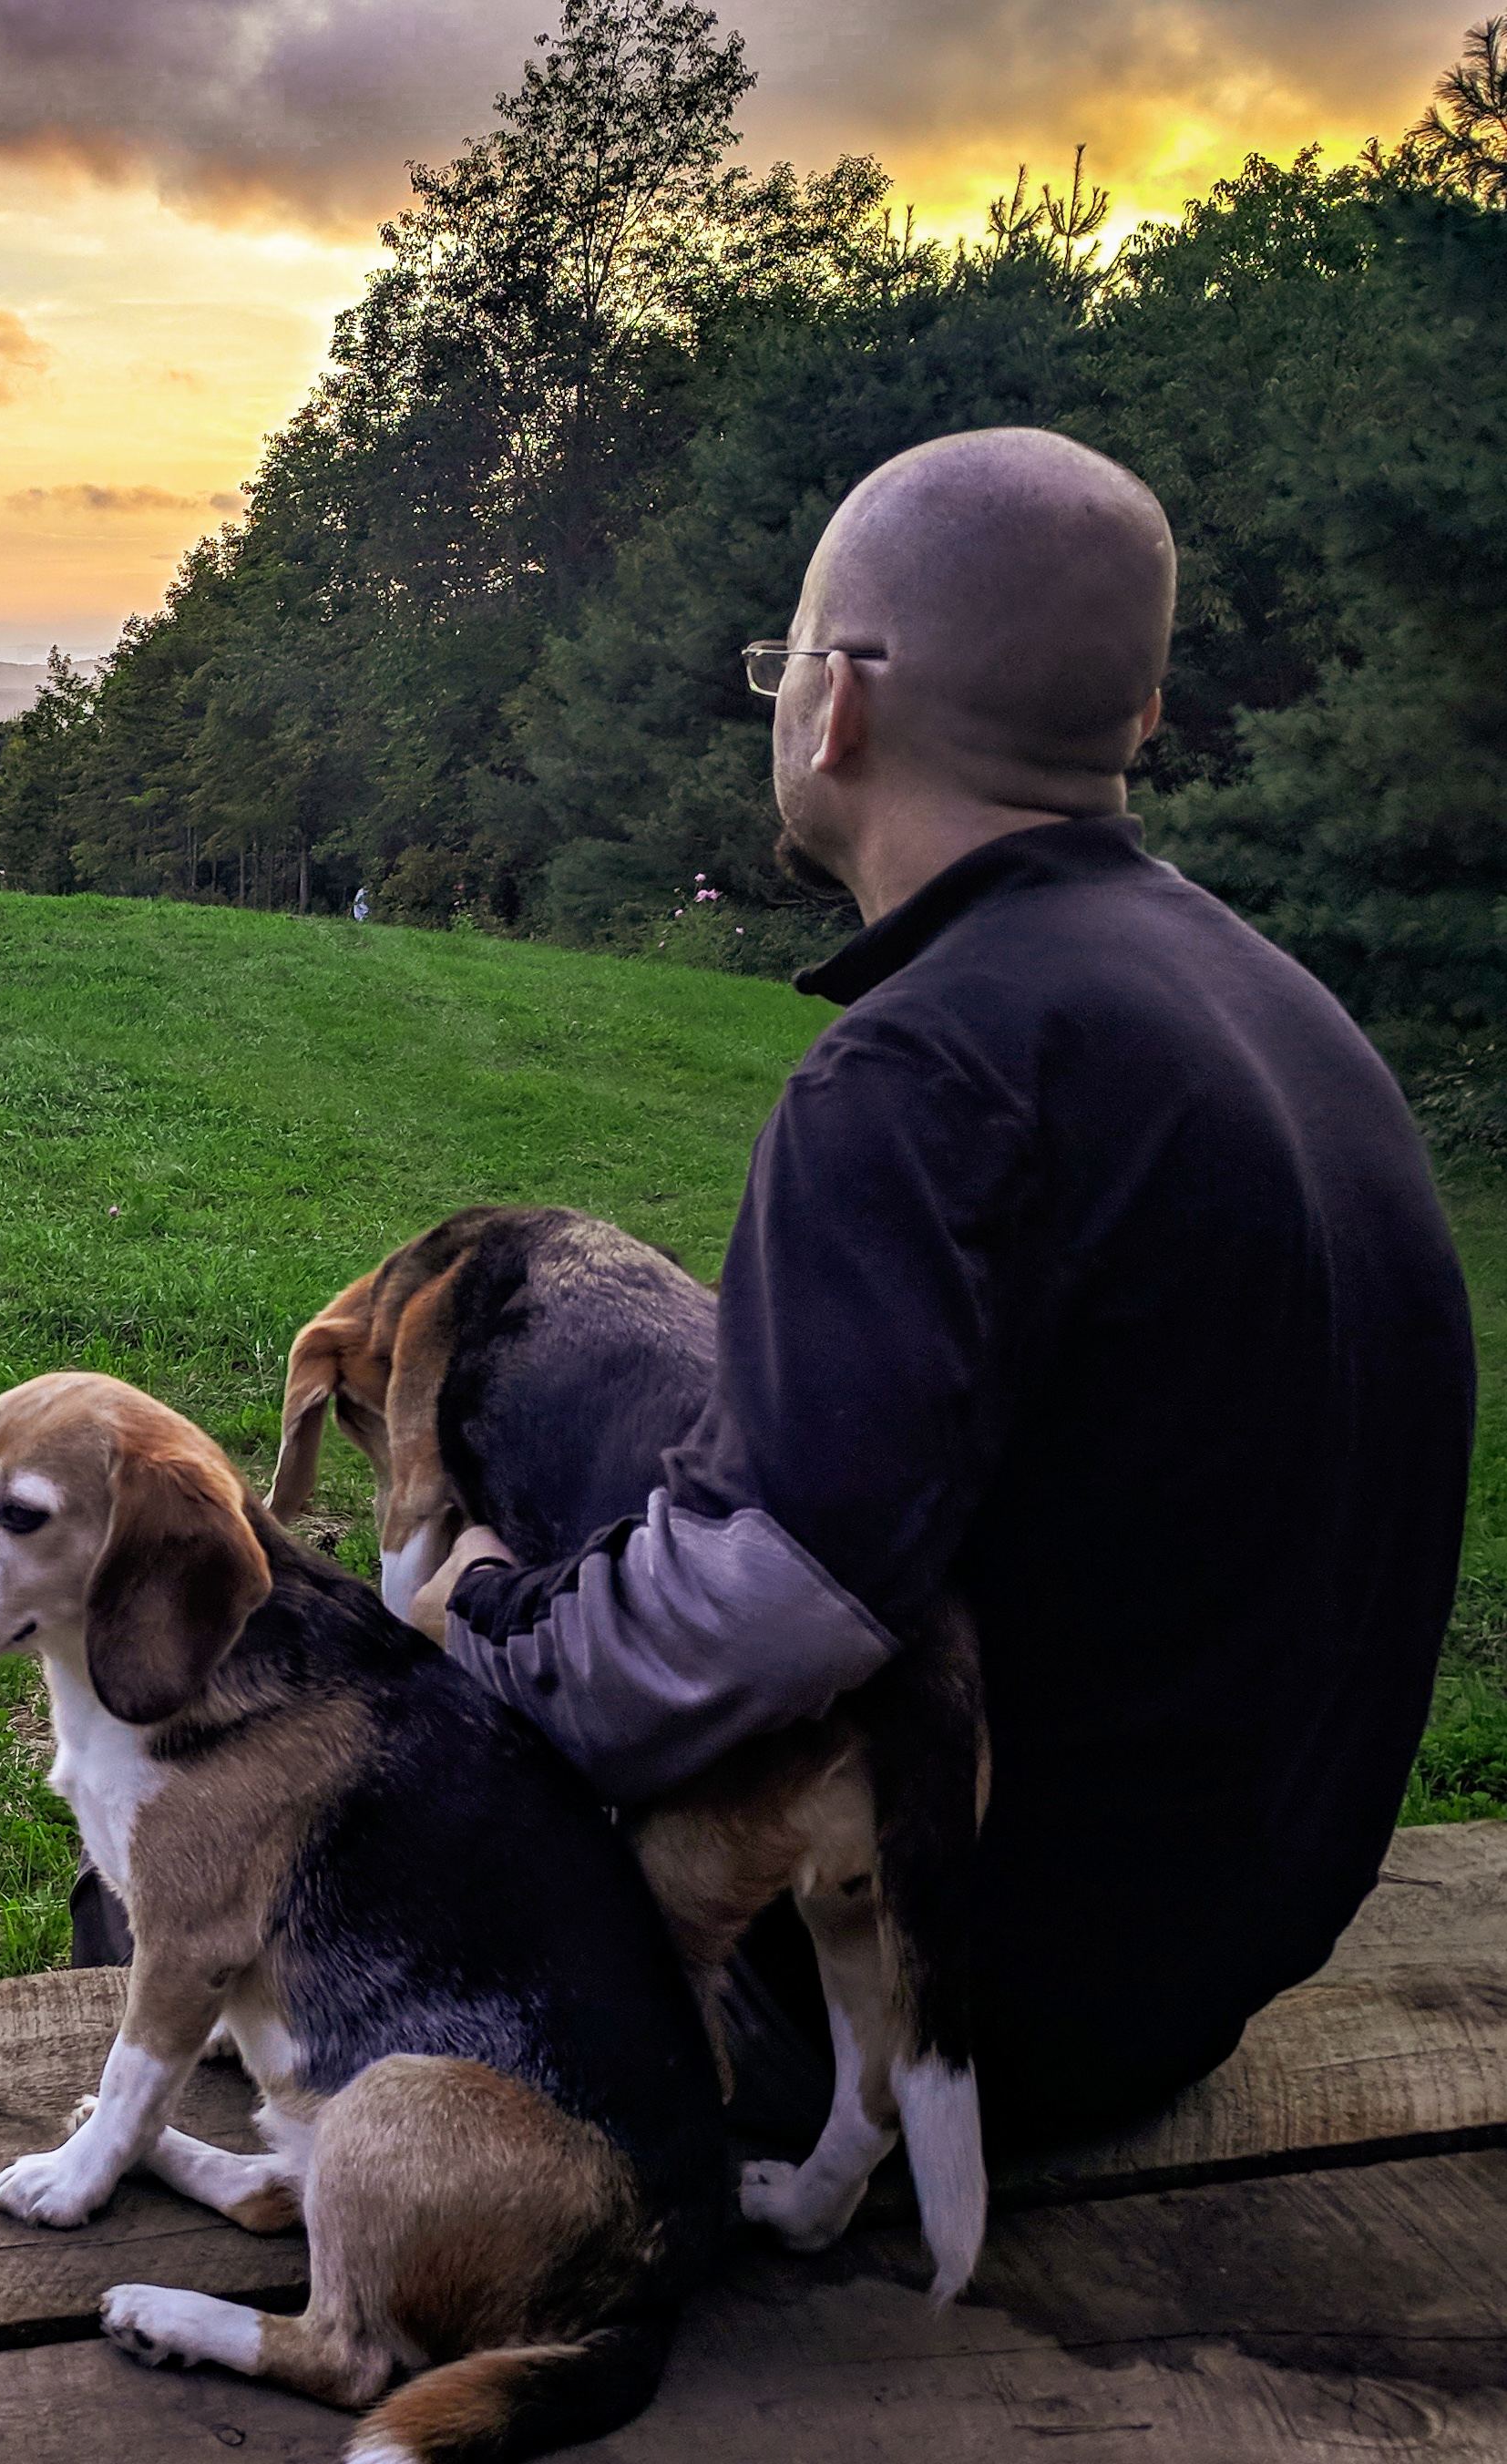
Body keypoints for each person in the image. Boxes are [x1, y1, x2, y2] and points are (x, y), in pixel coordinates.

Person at [415, 426, 1475, 2144]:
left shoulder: (925, 1071)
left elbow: (763, 1606)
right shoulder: (1286, 1016)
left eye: (781, 661)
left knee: (324, 1778)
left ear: (833, 702)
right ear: (1131, 722)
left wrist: (477, 1620)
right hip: (1202, 1964)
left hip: (947, 2015)